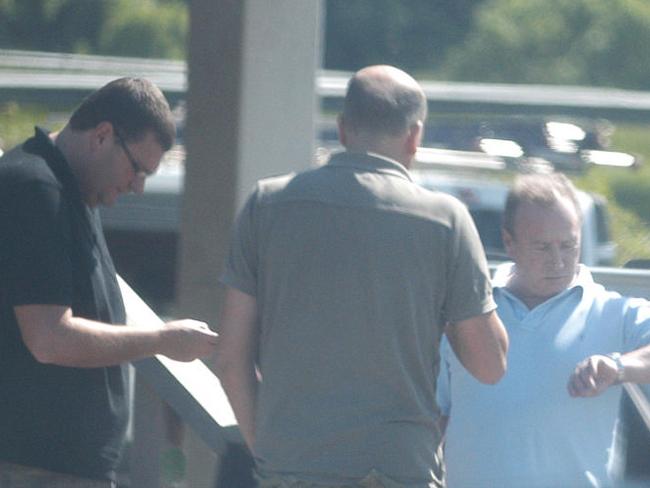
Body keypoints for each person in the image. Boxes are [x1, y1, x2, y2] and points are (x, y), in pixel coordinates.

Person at [215, 64, 508, 488]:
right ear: (415, 136)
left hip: (291, 466)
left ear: (342, 129)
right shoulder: (445, 221)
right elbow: (490, 364)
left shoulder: (266, 205)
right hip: (397, 468)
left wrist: (270, 451)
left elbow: (230, 360)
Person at [0, 78, 218, 487]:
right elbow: (49, 337)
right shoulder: (37, 189)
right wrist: (161, 340)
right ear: (102, 136)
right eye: (138, 169)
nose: (138, 186)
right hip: (34, 468)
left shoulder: (70, 191)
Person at [436, 172, 650, 488]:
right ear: (509, 242)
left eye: (568, 246)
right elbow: (433, 417)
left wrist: (619, 367)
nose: (558, 261)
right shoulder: (465, 316)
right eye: (542, 247)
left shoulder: (613, 311)